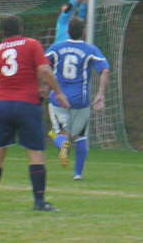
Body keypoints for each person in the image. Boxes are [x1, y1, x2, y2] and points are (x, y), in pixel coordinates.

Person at [0, 15, 70, 212]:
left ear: (2, 33)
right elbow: (44, 70)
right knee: (35, 153)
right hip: (27, 104)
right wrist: (58, 92)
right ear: (21, 29)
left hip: (3, 104)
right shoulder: (31, 44)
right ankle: (39, 201)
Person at [45, 17, 110, 179]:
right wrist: (100, 94)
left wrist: (44, 86)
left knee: (58, 133)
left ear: (67, 31)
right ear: (83, 32)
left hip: (59, 98)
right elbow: (105, 70)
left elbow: (43, 67)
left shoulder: (57, 48)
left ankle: (63, 145)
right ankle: (77, 174)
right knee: (81, 136)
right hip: (81, 100)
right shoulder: (90, 50)